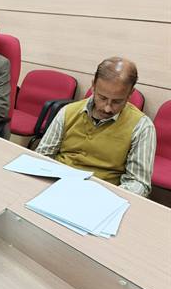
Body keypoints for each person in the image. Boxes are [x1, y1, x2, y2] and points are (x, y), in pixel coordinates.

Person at [36, 57, 156, 196]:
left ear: (130, 94)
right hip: (57, 184)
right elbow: (42, 156)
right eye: (102, 98)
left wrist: (108, 197)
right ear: (93, 85)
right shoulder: (68, 112)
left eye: (117, 101)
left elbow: (139, 183)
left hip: (102, 194)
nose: (107, 108)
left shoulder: (142, 127)